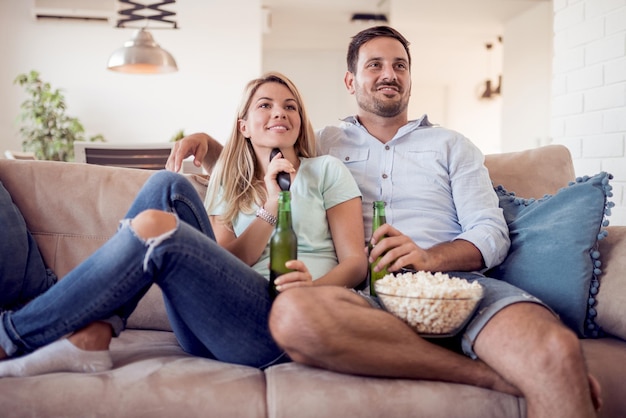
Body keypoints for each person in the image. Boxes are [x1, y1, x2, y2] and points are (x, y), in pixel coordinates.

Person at [166, 27, 601, 417]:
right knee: (294, 315)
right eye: (374, 64)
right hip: (361, 296)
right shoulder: (326, 143)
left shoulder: (451, 145)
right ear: (351, 81)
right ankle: (480, 374)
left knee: (553, 351)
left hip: (453, 287)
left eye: (399, 65)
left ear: (410, 78)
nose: (388, 73)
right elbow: (264, 152)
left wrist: (430, 257)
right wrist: (210, 143)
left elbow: (490, 232)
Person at [0, 71, 367, 376]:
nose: (280, 113)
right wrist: (270, 205)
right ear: (244, 127)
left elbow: (355, 262)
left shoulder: (326, 171)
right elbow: (224, 262)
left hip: (284, 324)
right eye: (265, 105)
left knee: (158, 225)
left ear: (300, 122)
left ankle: (26, 336)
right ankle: (92, 329)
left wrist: (312, 292)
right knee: (165, 185)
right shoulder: (231, 182)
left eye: (291, 107)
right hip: (212, 319)